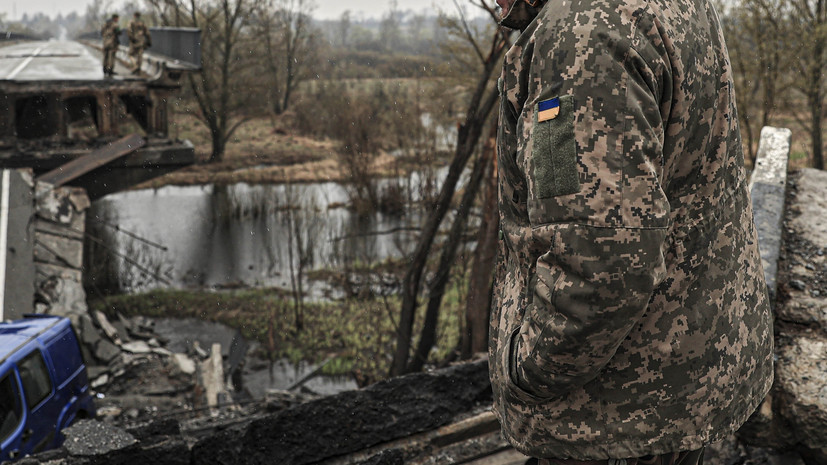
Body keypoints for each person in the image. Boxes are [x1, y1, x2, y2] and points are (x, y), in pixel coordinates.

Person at [489, 0, 774, 463]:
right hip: (684, 374)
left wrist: (528, 371)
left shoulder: (583, 32)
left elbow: (600, 264)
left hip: (615, 411)